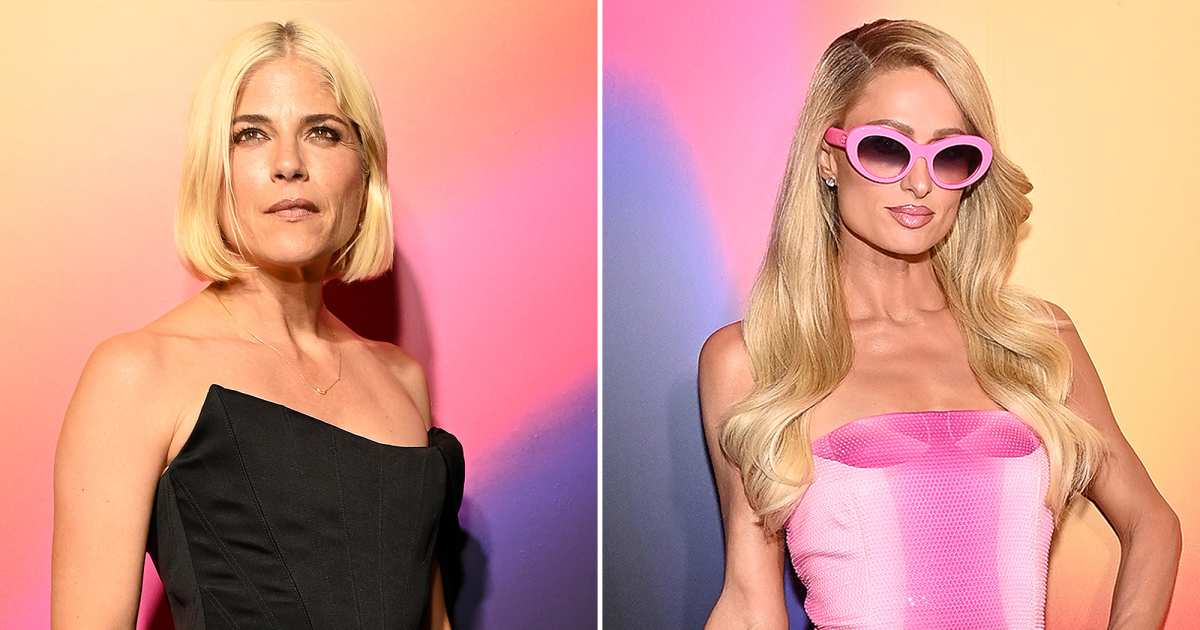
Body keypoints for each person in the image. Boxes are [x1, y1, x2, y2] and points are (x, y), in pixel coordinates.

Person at [698, 18, 1181, 629]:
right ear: (828, 157)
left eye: (951, 155)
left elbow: (1151, 522)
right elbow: (749, 602)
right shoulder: (753, 358)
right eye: (885, 149)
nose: (920, 183)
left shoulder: (1034, 342)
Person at [51, 20, 463, 629]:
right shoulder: (137, 373)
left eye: (323, 132)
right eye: (250, 135)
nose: (289, 163)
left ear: (365, 168)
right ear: (213, 171)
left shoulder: (402, 379)